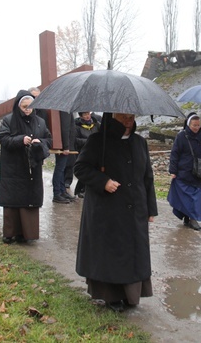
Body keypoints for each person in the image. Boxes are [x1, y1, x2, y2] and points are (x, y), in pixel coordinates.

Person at [74, 113, 158, 312]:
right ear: (112, 118)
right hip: (107, 209)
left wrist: (150, 208)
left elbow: (148, 177)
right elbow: (80, 167)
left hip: (135, 208)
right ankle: (111, 296)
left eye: (131, 117)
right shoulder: (97, 141)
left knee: (133, 253)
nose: (129, 121)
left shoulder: (140, 142)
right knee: (111, 254)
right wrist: (103, 181)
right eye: (123, 117)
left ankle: (131, 295)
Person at [0, 90, 52, 243]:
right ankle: (10, 233)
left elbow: (48, 138)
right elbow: (3, 138)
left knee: (29, 201)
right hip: (13, 167)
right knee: (12, 201)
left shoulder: (40, 121)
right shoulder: (9, 120)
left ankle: (27, 234)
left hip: (32, 167)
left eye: (30, 106)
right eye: (24, 106)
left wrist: (39, 143)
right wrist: (21, 139)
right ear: (18, 106)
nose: (28, 109)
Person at [168, 112, 201, 231]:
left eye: (198, 125)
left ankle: (193, 218)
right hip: (184, 171)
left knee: (196, 197)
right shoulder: (181, 136)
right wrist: (173, 170)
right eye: (194, 125)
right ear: (189, 124)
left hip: (199, 172)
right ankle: (189, 219)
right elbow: (175, 153)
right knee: (185, 196)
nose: (196, 128)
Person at [52, 110, 78, 203]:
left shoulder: (66, 109)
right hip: (64, 145)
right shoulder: (65, 110)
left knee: (62, 168)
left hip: (64, 144)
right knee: (60, 168)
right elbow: (65, 127)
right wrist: (66, 147)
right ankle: (57, 193)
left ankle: (62, 191)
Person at [74, 111, 100, 198]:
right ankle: (80, 190)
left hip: (96, 151)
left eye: (88, 114)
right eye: (85, 114)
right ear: (81, 116)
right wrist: (89, 141)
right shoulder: (77, 126)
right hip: (83, 152)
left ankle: (89, 188)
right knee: (85, 170)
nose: (87, 116)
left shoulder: (96, 124)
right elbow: (76, 140)